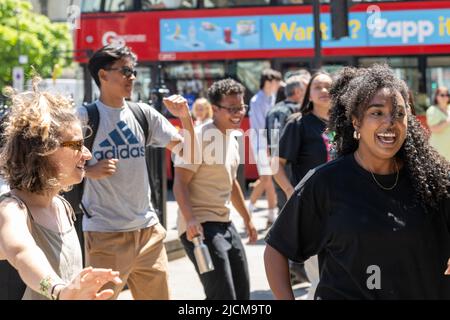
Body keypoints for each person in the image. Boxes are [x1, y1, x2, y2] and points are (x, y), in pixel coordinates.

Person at [265, 64, 450, 300]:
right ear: (356, 121)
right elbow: (277, 249)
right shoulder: (325, 183)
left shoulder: (434, 182)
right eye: (377, 112)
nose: (390, 122)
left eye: (400, 113)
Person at [78, 44, 196, 299]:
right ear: (103, 75)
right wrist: (89, 170)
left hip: (149, 233)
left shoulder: (142, 113)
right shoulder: (84, 117)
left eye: (133, 71)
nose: (132, 77)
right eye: (125, 71)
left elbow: (189, 153)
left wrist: (185, 118)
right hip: (105, 234)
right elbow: (55, 162)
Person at [0, 81, 122, 300]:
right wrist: (59, 290)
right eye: (75, 145)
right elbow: (22, 252)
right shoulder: (11, 209)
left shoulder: (63, 207)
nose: (87, 154)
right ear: (43, 151)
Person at [173, 78, 258, 300]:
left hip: (226, 224)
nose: (239, 112)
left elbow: (231, 183)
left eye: (241, 106)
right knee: (222, 298)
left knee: (242, 296)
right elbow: (180, 182)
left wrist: (247, 219)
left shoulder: (232, 137)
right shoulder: (200, 136)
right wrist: (191, 220)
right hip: (200, 226)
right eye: (232, 108)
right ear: (215, 109)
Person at [271, 71, 333, 299]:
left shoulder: (345, 124)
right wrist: (291, 193)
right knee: (319, 278)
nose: (324, 91)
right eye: (318, 87)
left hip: (343, 208)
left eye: (329, 86)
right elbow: (275, 165)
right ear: (309, 93)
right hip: (312, 211)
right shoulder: (298, 123)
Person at [248, 68, 282, 227]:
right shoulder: (256, 101)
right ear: (268, 82)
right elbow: (261, 126)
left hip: (271, 142)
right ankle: (260, 212)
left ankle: (260, 212)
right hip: (262, 144)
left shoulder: (272, 97)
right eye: (276, 82)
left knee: (268, 179)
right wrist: (268, 147)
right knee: (267, 179)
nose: (278, 85)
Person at [426, 86, 450, 161]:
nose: (445, 97)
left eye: (447, 95)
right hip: (438, 150)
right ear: (436, 97)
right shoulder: (432, 110)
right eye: (442, 95)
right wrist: (448, 120)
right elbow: (434, 129)